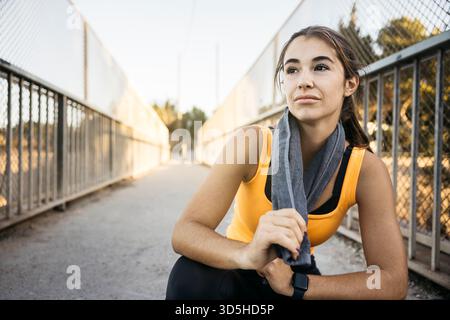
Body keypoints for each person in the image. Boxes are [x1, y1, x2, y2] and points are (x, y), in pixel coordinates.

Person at [165, 25, 408, 300]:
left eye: (320, 67)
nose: (303, 81)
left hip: (295, 275)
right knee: (189, 279)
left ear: (350, 83)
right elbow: (185, 231)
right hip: (238, 266)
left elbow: (391, 280)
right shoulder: (252, 143)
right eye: (292, 70)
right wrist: (247, 253)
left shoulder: (365, 168)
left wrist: (299, 285)